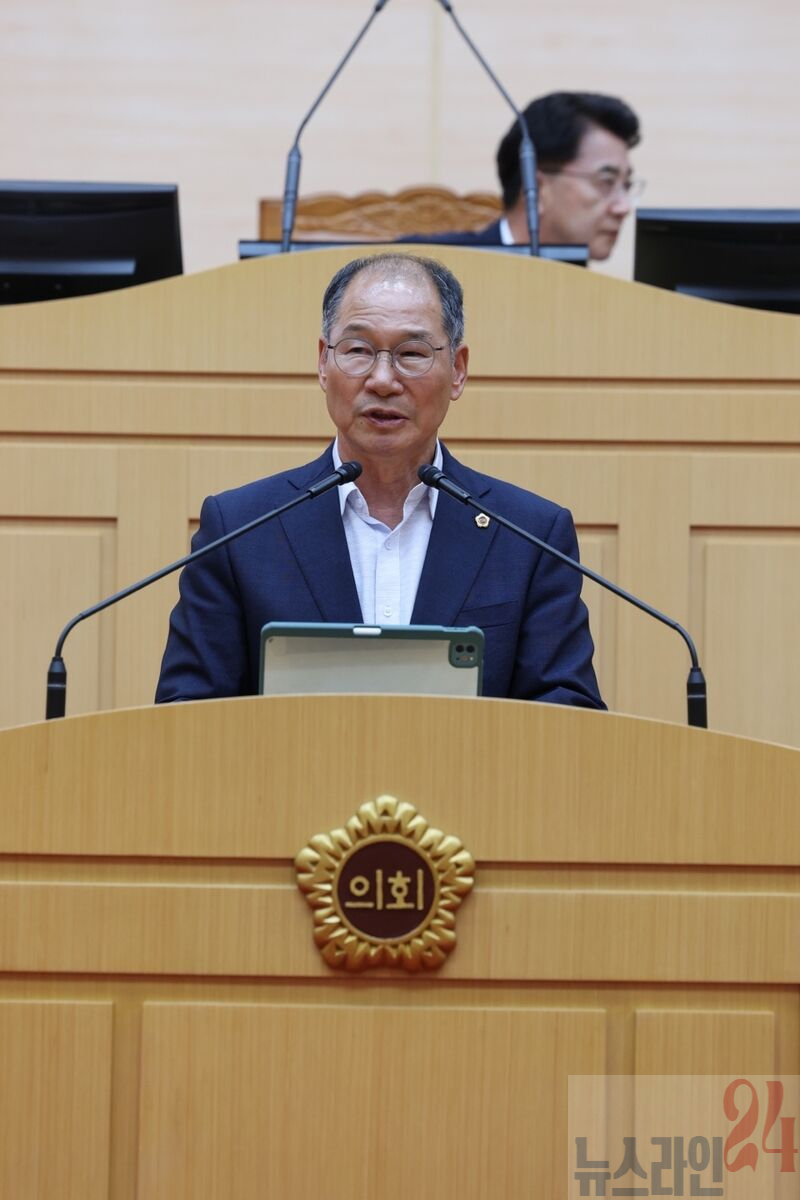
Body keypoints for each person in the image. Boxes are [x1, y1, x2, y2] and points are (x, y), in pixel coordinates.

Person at [155, 252, 604, 708]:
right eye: (358, 351)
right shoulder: (239, 531)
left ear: (458, 370)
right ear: (323, 363)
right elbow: (185, 717)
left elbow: (570, 720)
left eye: (412, 354)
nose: (383, 380)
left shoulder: (529, 536)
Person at [402, 91, 642, 262]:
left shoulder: (599, 299)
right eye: (606, 182)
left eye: (626, 185)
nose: (623, 207)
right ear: (536, 189)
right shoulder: (431, 267)